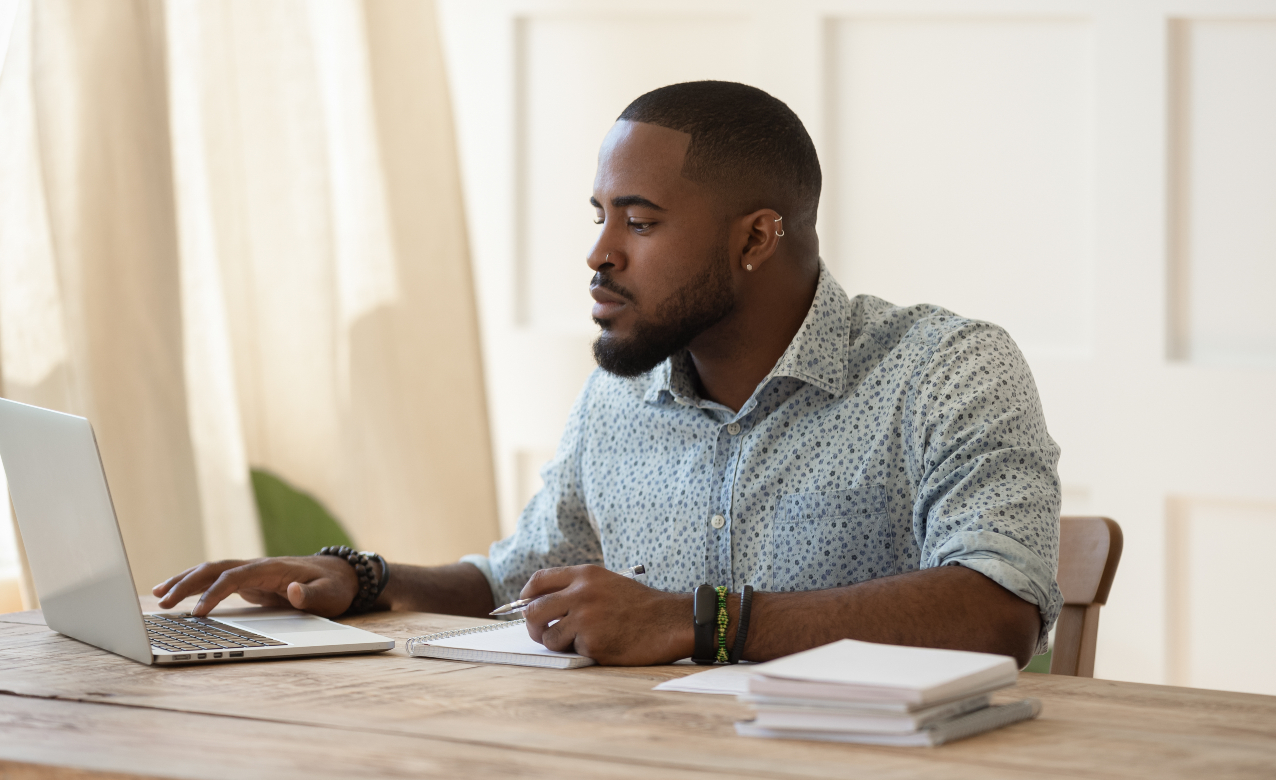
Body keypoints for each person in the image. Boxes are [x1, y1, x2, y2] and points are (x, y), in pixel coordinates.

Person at [155, 81, 1062, 668]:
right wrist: (361, 576)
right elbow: (524, 575)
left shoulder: (946, 367)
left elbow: (998, 609)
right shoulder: (623, 388)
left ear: (754, 238)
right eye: (599, 215)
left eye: (641, 221)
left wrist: (697, 622)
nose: (598, 253)